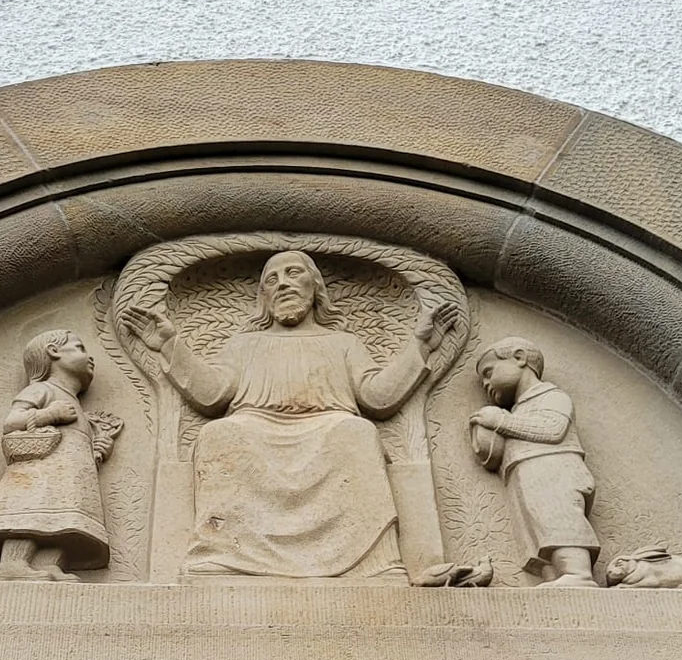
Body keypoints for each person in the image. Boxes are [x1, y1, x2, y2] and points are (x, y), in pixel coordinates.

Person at [120, 251, 454, 582]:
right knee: (218, 435)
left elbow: (378, 397)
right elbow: (212, 394)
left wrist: (420, 346)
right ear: (263, 297)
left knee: (358, 433)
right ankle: (223, 556)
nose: (283, 284)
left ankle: (372, 563)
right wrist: (169, 345)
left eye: (294, 273)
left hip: (330, 427)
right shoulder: (244, 345)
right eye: (272, 279)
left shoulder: (343, 342)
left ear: (315, 287)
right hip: (253, 426)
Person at [0, 330, 119, 581]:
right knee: (32, 512)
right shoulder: (42, 390)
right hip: (42, 472)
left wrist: (97, 448)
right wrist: (48, 415)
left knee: (62, 520)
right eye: (79, 348)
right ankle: (12, 565)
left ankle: (48, 564)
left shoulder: (72, 400)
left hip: (70, 476)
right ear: (53, 352)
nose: (90, 357)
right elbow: (11, 422)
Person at [469, 339, 600, 588]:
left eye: (489, 373)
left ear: (519, 358)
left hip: (554, 472)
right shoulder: (519, 409)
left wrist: (500, 421)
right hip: (527, 475)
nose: (486, 383)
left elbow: (553, 429)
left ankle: (578, 573)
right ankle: (556, 576)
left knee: (559, 519)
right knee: (539, 527)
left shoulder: (551, 395)